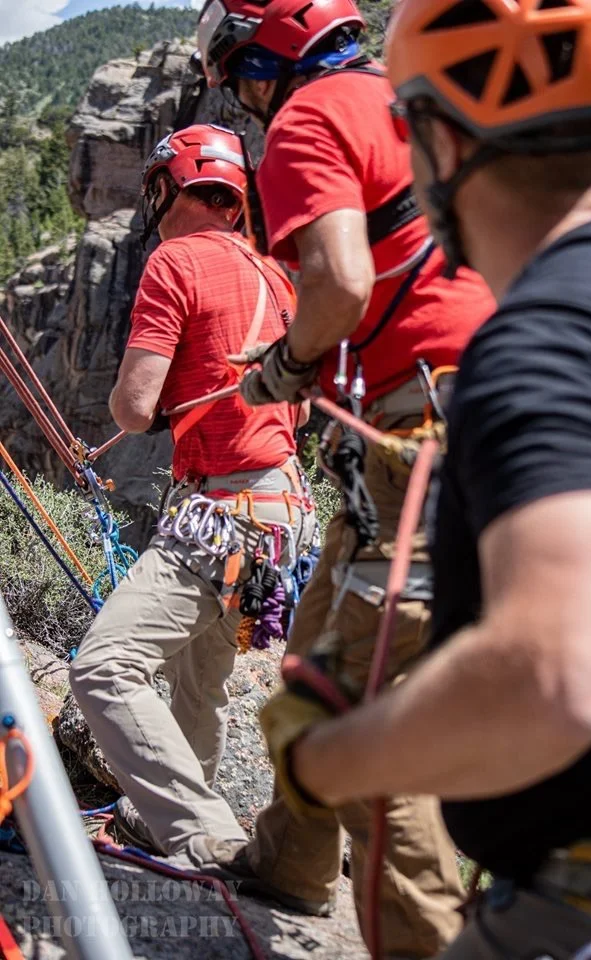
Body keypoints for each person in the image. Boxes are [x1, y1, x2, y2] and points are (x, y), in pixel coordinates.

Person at [250, 0, 591, 956]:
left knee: (376, 678)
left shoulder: (540, 350)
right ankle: (288, 862)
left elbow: (554, 673)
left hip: (590, 901)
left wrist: (324, 760)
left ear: (438, 138)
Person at [190, 1, 496, 954]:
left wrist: (286, 367)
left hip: (417, 436)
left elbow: (339, 281)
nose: (239, 95)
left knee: (365, 706)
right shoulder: (411, 100)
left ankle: (427, 941)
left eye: (238, 70)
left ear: (268, 50)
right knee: (317, 655)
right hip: (467, 418)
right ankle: (290, 858)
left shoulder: (308, 117)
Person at [70, 123, 316, 864]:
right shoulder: (275, 275)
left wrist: (146, 405)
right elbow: (299, 412)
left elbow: (133, 406)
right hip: (282, 513)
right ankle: (167, 829)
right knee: (198, 685)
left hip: (221, 512)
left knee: (104, 667)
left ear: (166, 187)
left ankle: (202, 835)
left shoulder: (174, 259)